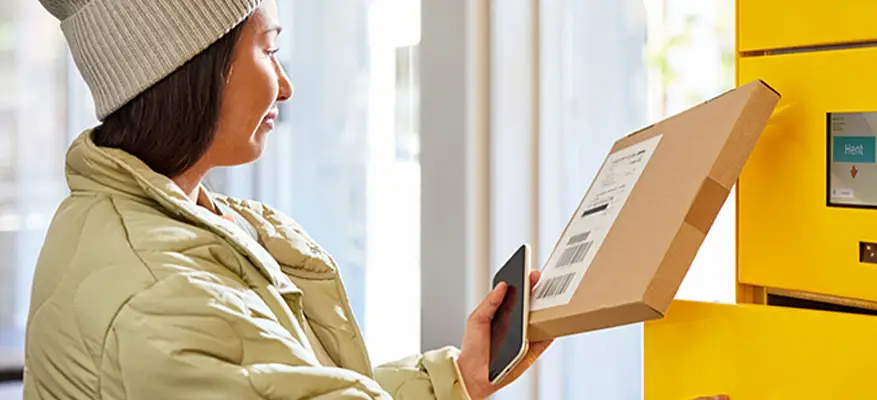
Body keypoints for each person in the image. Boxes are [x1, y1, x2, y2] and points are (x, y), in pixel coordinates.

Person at [23, 0, 551, 398]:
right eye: (269, 49)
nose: (285, 86)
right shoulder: (164, 292)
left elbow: (283, 383)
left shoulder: (141, 222)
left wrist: (454, 378)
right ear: (189, 68)